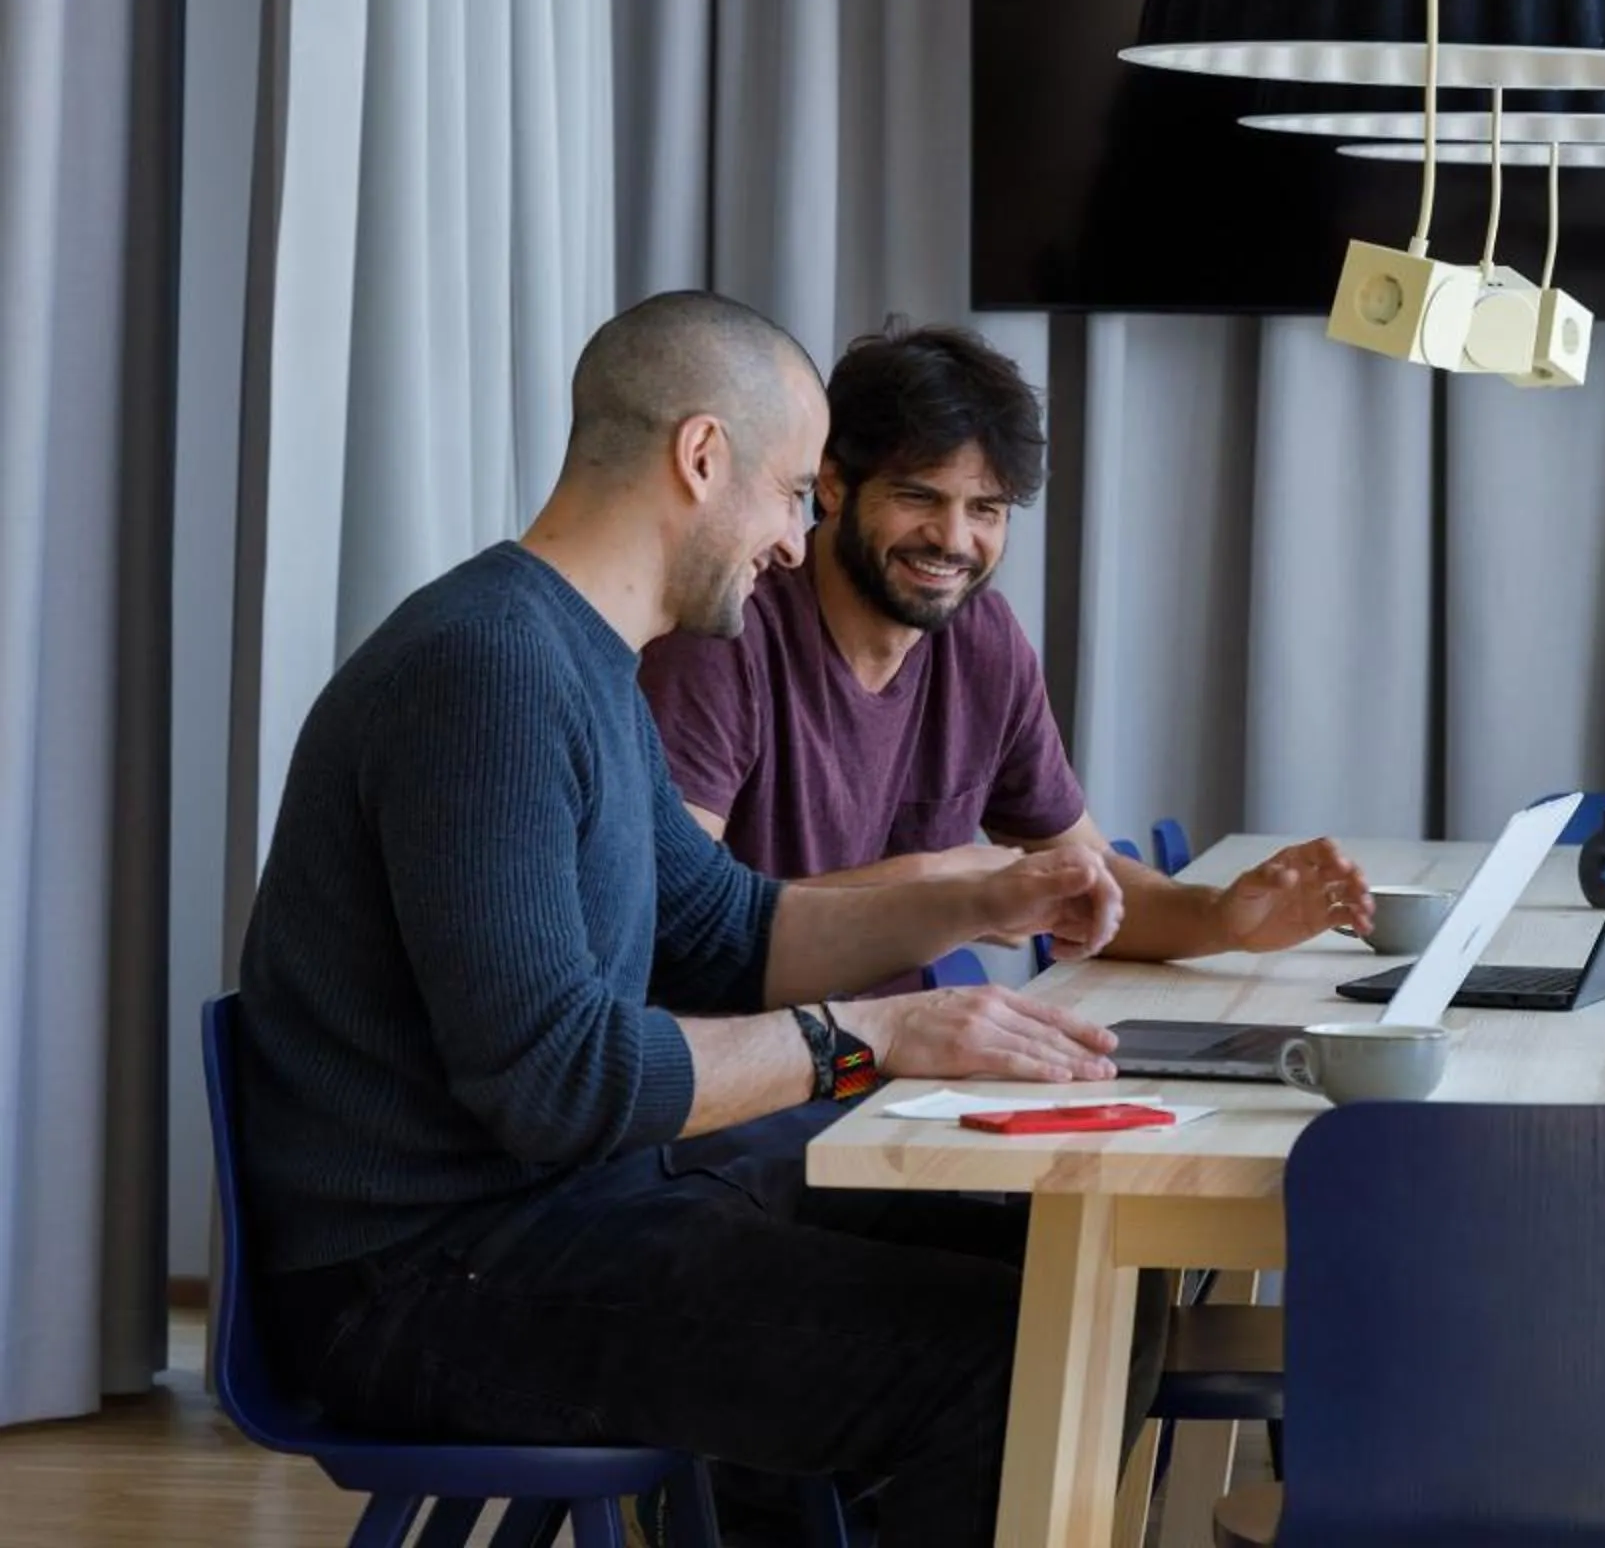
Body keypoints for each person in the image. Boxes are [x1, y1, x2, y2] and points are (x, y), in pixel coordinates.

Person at [235, 292, 1136, 1546]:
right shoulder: (486, 671)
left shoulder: (581, 659)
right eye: (792, 493)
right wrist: (873, 1036)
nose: (795, 541)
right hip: (423, 1277)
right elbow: (555, 1079)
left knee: (1070, 1282)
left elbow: (731, 930)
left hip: (568, 1212)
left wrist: (984, 901)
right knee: (1006, 1356)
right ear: (702, 456)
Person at [637, 319, 1373, 983]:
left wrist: (1223, 920)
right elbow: (678, 924)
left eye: (985, 509)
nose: (954, 540)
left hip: (892, 1052)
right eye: (919, 497)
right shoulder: (724, 633)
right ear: (832, 484)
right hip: (785, 1065)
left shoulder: (980, 638)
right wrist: (940, 884)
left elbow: (1087, 879)